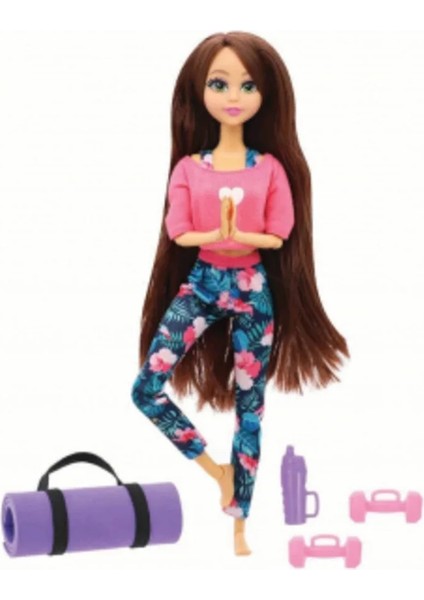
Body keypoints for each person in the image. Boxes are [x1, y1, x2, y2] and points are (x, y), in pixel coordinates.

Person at [131, 31, 349, 556]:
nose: (234, 96)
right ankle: (217, 471)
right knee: (146, 388)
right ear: (199, 91)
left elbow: (279, 233)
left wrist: (239, 232)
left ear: (265, 95)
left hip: (253, 289)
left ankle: (239, 523)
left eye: (248, 85)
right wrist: (217, 232)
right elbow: (179, 230)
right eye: (220, 84)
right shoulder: (189, 168)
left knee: (251, 408)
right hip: (203, 282)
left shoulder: (269, 168)